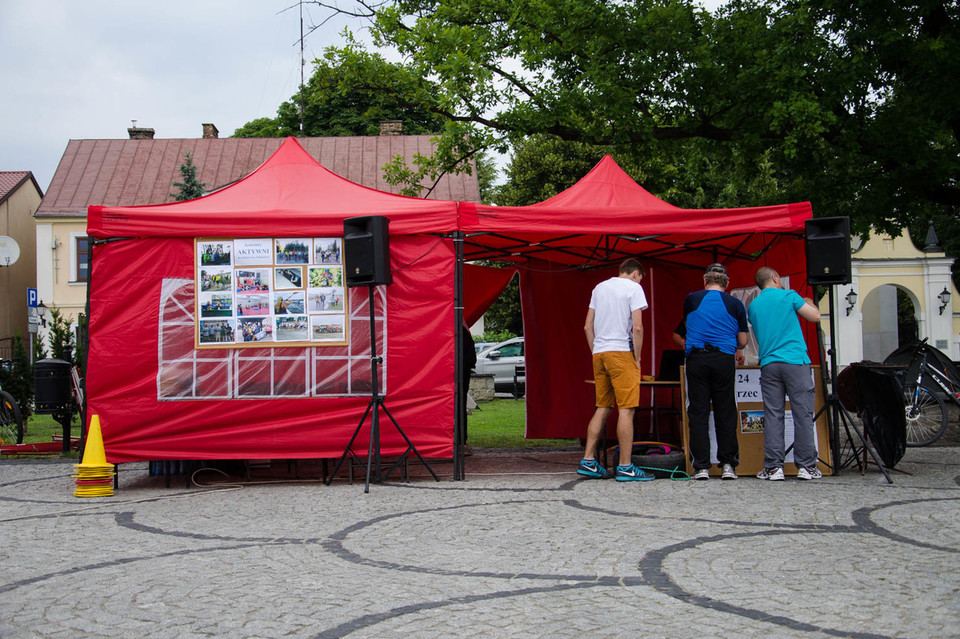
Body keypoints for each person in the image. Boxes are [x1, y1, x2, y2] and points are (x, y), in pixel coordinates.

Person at [578, 258, 654, 482]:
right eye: (640, 278)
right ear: (636, 273)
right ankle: (626, 466)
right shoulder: (634, 288)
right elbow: (637, 327)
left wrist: (596, 351)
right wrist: (637, 358)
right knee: (627, 409)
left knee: (603, 406)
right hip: (621, 352)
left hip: (600, 353)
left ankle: (588, 460)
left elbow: (587, 326)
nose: (640, 282)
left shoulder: (599, 287)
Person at [747, 266, 823, 481]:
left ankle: (773, 467)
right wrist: (809, 302)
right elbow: (815, 317)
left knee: (773, 415)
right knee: (802, 414)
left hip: (769, 363)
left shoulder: (753, 305)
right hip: (795, 361)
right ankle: (807, 466)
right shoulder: (789, 295)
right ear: (775, 278)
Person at [674, 263, 748, 481]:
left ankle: (701, 467)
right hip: (723, 358)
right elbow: (743, 341)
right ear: (727, 282)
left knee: (698, 412)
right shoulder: (736, 304)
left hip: (697, 359)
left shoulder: (691, 299)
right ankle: (728, 465)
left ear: (705, 280)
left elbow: (688, 325)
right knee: (726, 410)